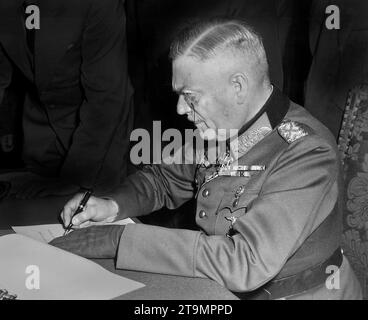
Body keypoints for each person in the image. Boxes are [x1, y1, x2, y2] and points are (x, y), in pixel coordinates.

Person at [51, 19, 362, 299]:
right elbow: (163, 180)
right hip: (218, 286)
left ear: (237, 87)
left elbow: (246, 262)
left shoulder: (306, 151)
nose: (180, 110)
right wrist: (112, 205)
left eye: (191, 97)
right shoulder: (223, 125)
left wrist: (120, 240)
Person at [0, 0, 134, 198]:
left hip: (99, 134)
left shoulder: (98, 4)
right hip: (40, 126)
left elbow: (106, 97)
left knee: (87, 213)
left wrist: (77, 179)